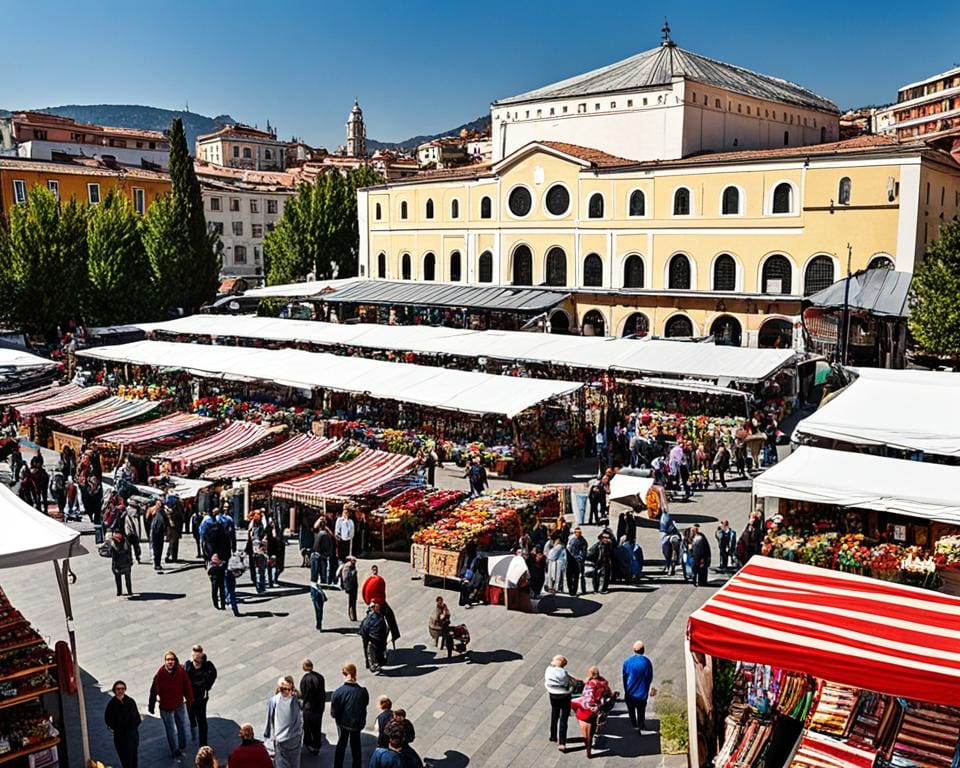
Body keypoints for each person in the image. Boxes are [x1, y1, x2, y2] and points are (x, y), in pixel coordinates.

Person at [148, 651, 193, 759]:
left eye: (172, 659)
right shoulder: (160, 674)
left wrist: (190, 701)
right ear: (165, 661)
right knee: (170, 730)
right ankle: (175, 750)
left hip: (179, 705)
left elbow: (187, 686)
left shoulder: (180, 671)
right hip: (166, 707)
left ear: (175, 660)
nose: (170, 661)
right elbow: (153, 690)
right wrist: (151, 705)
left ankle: (182, 744)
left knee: (181, 725)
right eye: (168, 659)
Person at [331, 663, 369, 768]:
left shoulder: (338, 692)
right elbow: (364, 704)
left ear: (343, 673)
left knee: (341, 744)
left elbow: (334, 712)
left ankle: (338, 765)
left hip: (343, 723)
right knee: (356, 745)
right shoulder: (363, 691)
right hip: (357, 723)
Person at [570, 666, 614, 759]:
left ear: (590, 674)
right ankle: (589, 748)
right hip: (597, 711)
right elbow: (608, 695)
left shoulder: (590, 684)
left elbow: (587, 699)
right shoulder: (604, 683)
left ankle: (588, 750)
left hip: (586, 710)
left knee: (586, 734)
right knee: (591, 731)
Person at [264, 676, 302, 768]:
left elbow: (269, 719)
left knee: (282, 764)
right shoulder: (296, 700)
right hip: (294, 737)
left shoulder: (273, 701)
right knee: (295, 762)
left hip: (281, 739)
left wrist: (267, 735)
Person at [184, 644, 217, 748]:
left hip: (202, 698)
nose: (197, 654)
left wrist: (207, 686)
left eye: (199, 652)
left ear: (202, 653)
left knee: (202, 720)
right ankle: (194, 731)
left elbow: (214, 674)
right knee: (191, 715)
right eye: (195, 651)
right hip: (190, 697)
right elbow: (184, 679)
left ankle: (203, 743)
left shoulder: (207, 665)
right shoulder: (188, 665)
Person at [362, 564, 400, 648]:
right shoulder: (379, 579)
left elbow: (364, 592)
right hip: (379, 602)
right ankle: (394, 634)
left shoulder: (369, 580)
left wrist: (368, 602)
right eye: (374, 569)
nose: (375, 571)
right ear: (373, 570)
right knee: (390, 616)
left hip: (371, 602)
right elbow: (383, 592)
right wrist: (381, 601)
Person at [104, 679, 141, 768]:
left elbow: (137, 718)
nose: (120, 691)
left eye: (122, 688)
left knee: (133, 759)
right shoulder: (111, 705)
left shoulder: (130, 701)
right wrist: (117, 728)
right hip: (121, 738)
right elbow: (108, 720)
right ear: (114, 690)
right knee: (125, 760)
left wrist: (132, 726)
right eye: (118, 689)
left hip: (132, 736)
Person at [544, 655, 576, 752]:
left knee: (554, 713)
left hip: (552, 694)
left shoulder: (548, 669)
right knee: (563, 718)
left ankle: (553, 736)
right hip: (564, 696)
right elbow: (568, 683)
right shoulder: (563, 673)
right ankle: (562, 742)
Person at [622, 641, 654, 734]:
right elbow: (649, 677)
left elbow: (625, 676)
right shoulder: (647, 662)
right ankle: (641, 725)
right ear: (643, 650)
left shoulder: (627, 662)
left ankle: (634, 725)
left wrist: (626, 689)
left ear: (634, 650)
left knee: (631, 710)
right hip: (642, 693)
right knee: (641, 710)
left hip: (630, 692)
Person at [300, 659, 326, 755]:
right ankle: (316, 744)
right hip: (319, 707)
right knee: (317, 727)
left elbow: (304, 694)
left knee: (308, 727)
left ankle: (309, 743)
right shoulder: (320, 677)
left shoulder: (305, 679)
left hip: (309, 708)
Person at [360, 602, 389, 673]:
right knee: (379, 651)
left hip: (373, 638)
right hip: (380, 638)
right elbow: (386, 628)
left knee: (369, 649)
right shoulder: (381, 617)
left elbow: (364, 629)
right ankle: (378, 662)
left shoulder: (369, 619)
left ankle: (371, 664)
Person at [108, 530, 134, 597]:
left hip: (117, 565)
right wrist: (131, 561)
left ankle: (119, 592)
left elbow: (109, 553)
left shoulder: (113, 545)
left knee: (118, 578)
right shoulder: (126, 544)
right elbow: (130, 552)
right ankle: (129, 591)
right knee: (127, 579)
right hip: (126, 564)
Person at [566, 527, 587, 596]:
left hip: (577, 561)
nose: (577, 534)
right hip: (570, 560)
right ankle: (570, 590)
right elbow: (568, 548)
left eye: (579, 532)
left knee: (577, 577)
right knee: (569, 576)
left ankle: (576, 590)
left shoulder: (583, 541)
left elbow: (583, 551)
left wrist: (580, 558)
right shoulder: (571, 539)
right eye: (576, 532)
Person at [337, 555, 359, 621]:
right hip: (351, 586)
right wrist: (347, 587)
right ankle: (352, 616)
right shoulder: (347, 567)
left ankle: (354, 616)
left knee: (353, 601)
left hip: (354, 586)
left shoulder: (352, 567)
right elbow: (345, 578)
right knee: (351, 602)